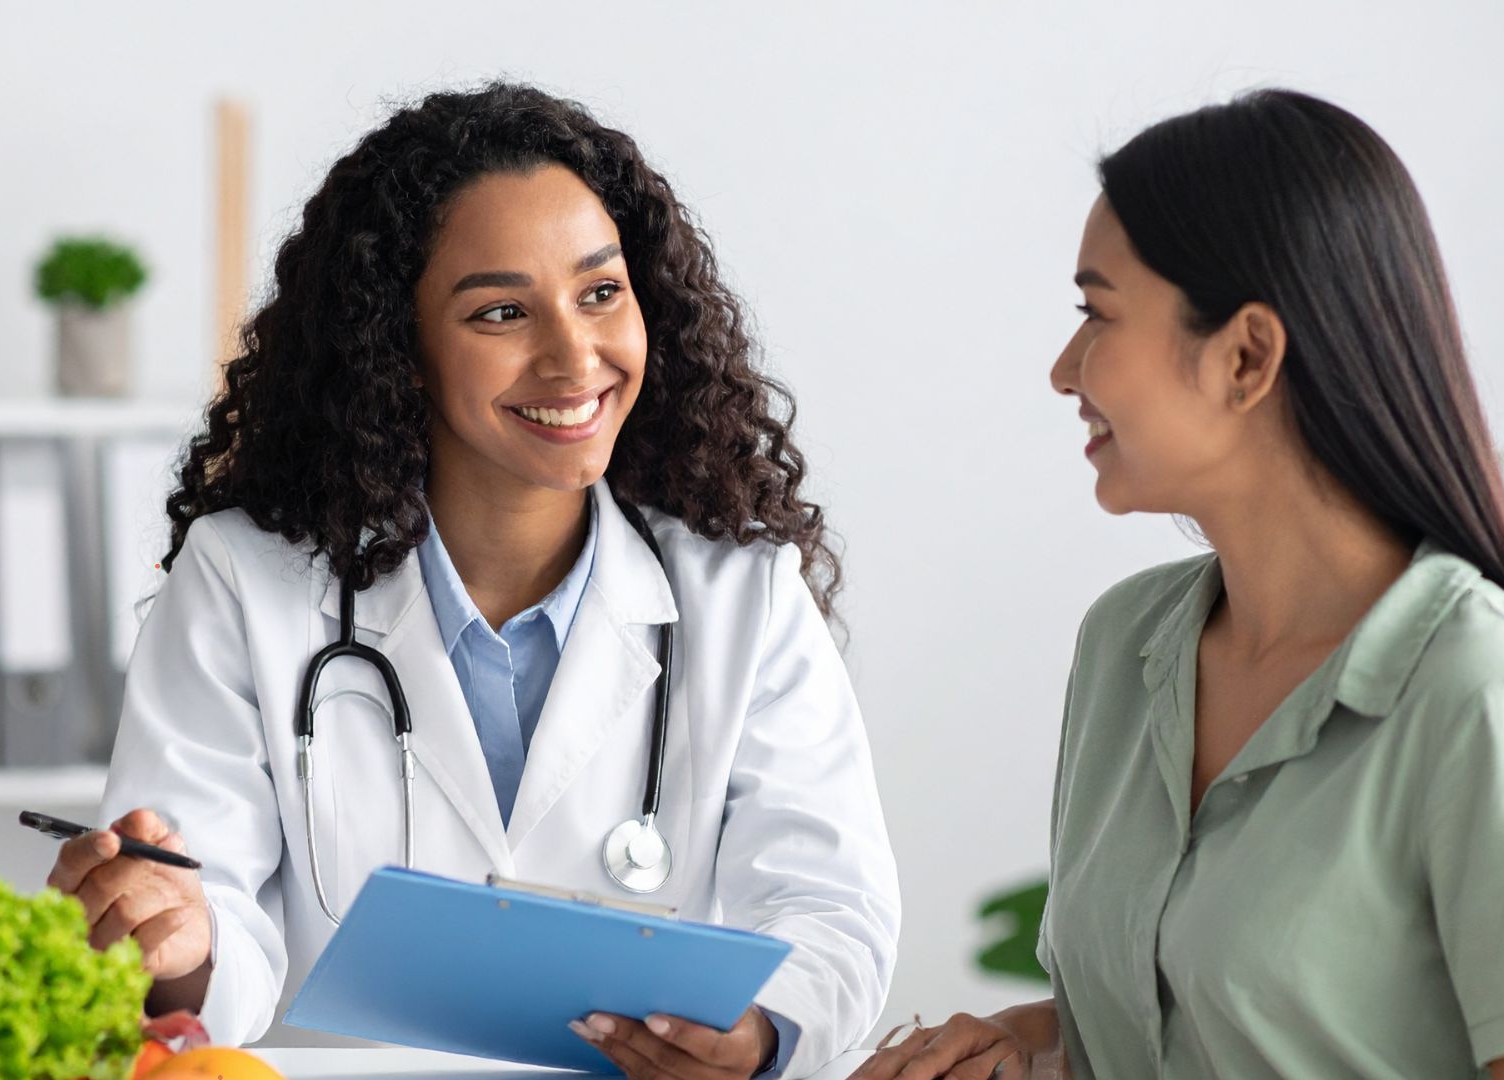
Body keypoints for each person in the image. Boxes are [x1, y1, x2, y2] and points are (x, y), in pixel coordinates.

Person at [46, 82, 900, 1079]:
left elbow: (831, 910)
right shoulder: (246, 582)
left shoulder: (742, 598)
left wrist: (755, 1032)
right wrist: (177, 942)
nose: (574, 356)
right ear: (397, 348)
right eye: (502, 311)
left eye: (600, 293)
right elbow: (209, 915)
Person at [854, 89, 1504, 1079]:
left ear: (1245, 356)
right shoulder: (1127, 645)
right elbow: (1187, 1023)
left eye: (1096, 313)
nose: (1065, 372)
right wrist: (1031, 1043)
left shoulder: (1491, 696)